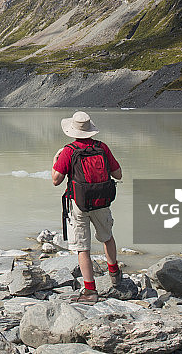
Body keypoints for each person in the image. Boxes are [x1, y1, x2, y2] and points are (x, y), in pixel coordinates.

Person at [51, 111, 123, 303]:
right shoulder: (102, 148)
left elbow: (56, 180)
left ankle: (90, 290)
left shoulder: (69, 151)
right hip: (102, 202)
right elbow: (118, 174)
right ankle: (114, 274)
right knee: (107, 237)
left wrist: (55, 161)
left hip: (79, 204)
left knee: (83, 248)